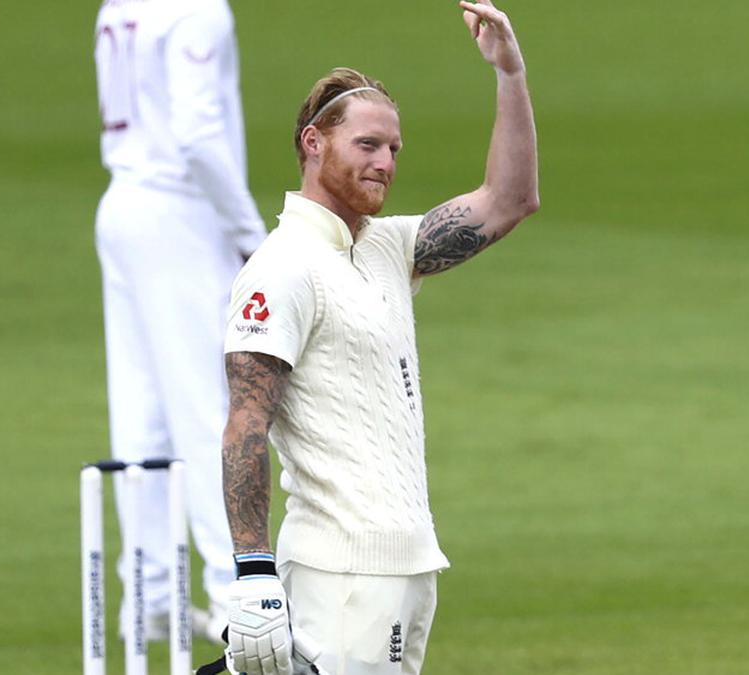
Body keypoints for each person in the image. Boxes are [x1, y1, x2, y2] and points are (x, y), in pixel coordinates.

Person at [216, 1, 539, 673]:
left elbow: (510, 199)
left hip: (407, 567)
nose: (386, 162)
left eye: (394, 148)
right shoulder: (281, 268)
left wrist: (509, 72)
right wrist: (252, 571)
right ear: (314, 142)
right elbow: (247, 419)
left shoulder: (389, 247)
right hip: (341, 575)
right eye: (368, 144)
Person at [92, 0, 266, 643]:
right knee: (212, 407)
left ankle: (151, 593)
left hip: (123, 205)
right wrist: (249, 235)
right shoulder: (198, 10)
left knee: (141, 411)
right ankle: (233, 599)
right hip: (182, 213)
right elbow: (196, 133)